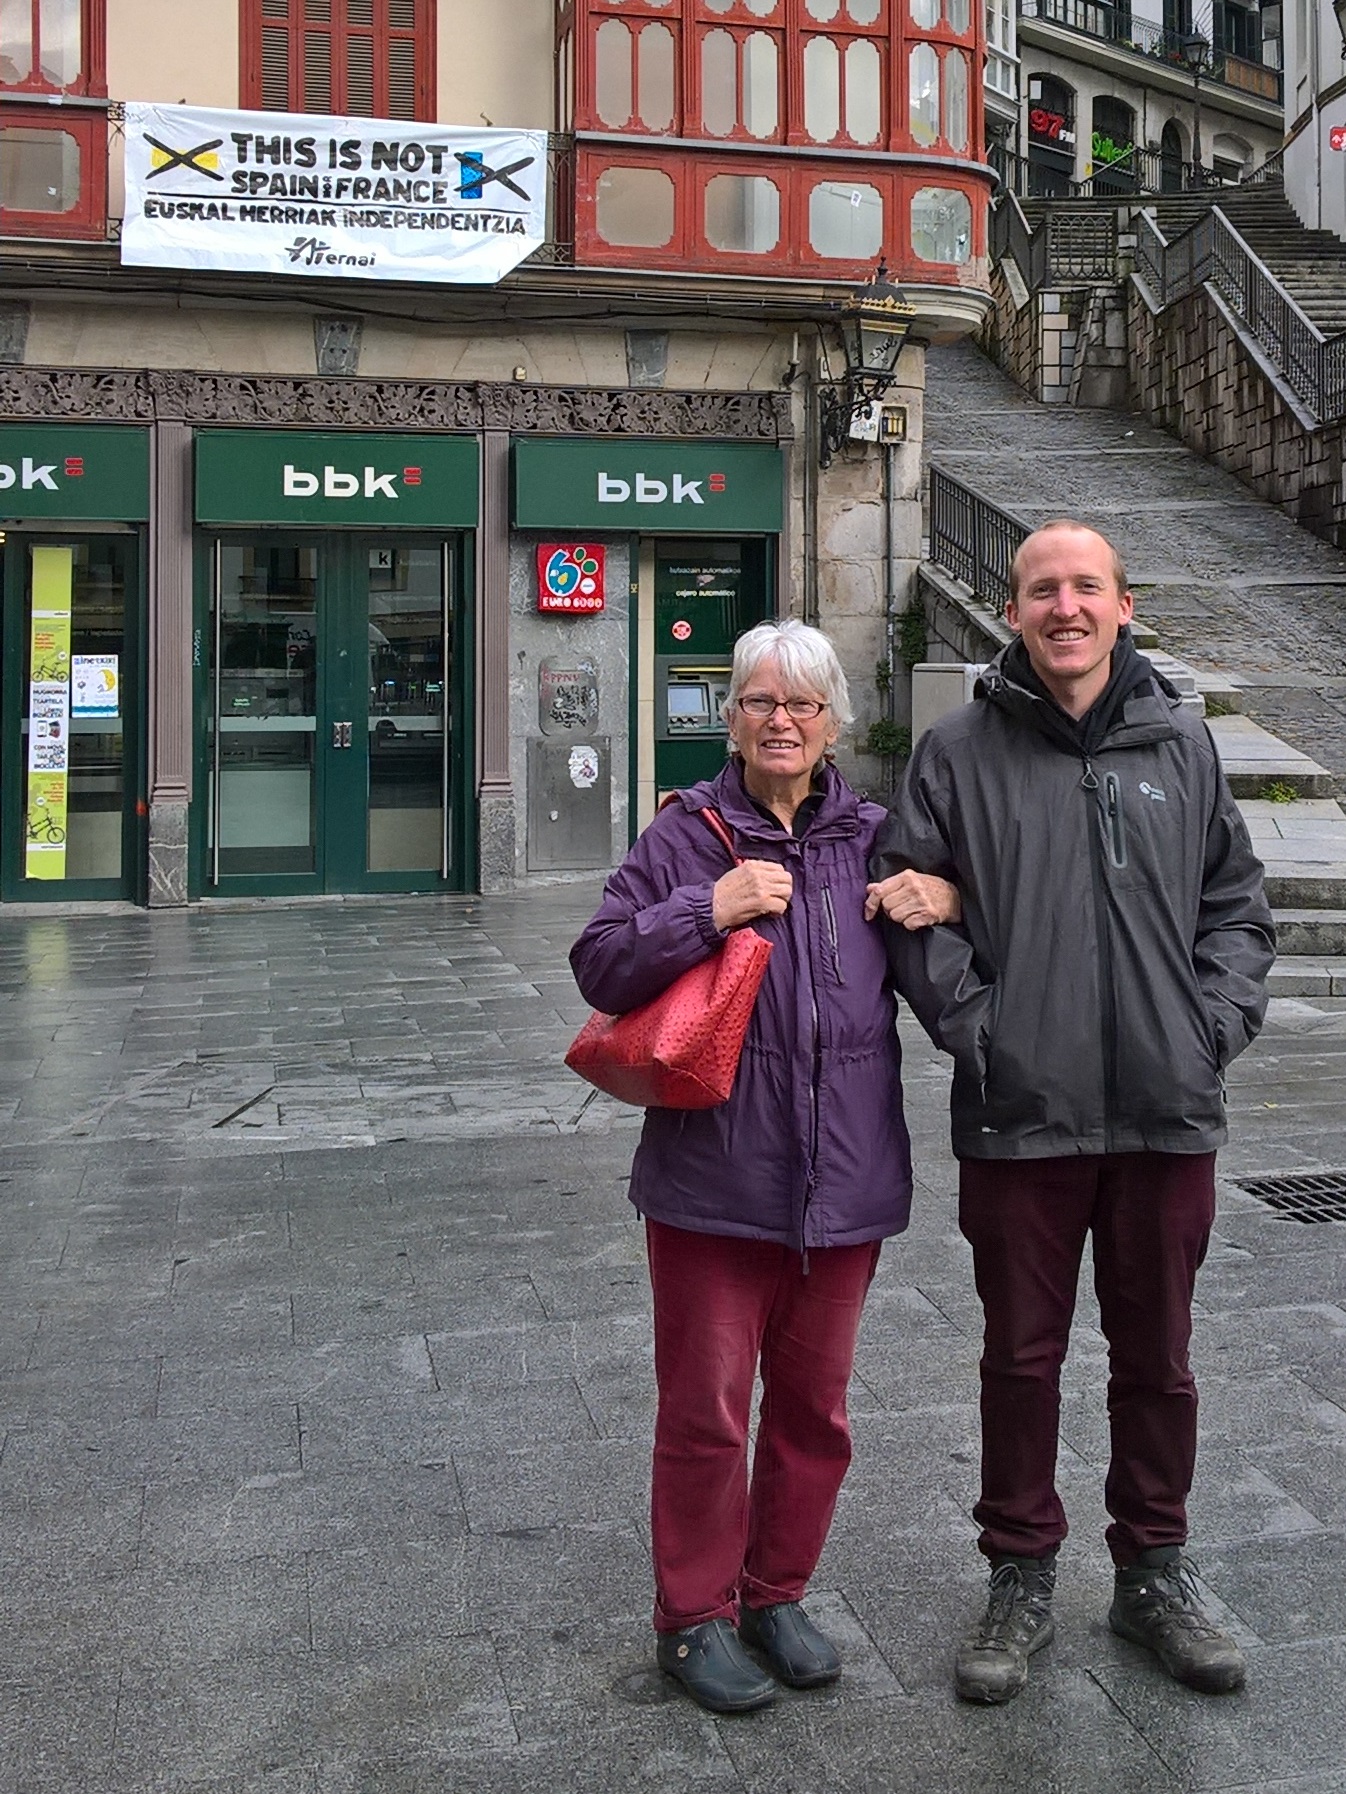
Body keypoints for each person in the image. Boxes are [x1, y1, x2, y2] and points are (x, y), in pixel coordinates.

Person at [868, 519, 1275, 1704]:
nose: (1063, 607)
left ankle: (1153, 1568)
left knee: (1158, 1360)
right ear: (1013, 608)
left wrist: (1208, 1029)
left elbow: (1235, 911)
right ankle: (1019, 1573)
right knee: (1019, 1358)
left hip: (1162, 1113)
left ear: (1121, 604)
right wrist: (982, 1036)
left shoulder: (1183, 748)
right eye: (1041, 589)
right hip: (1021, 1119)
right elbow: (910, 915)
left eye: (1083, 587)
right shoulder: (954, 754)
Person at [571, 619, 957, 1714]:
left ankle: (773, 1594)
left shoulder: (874, 838)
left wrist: (954, 899)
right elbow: (597, 957)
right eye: (757, 702)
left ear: (831, 722)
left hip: (844, 1184)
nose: (779, 722)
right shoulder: (689, 834)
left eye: (801, 704)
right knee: (704, 1412)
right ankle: (692, 1619)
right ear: (728, 716)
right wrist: (708, 908)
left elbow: (960, 957)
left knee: (813, 1412)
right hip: (711, 1182)